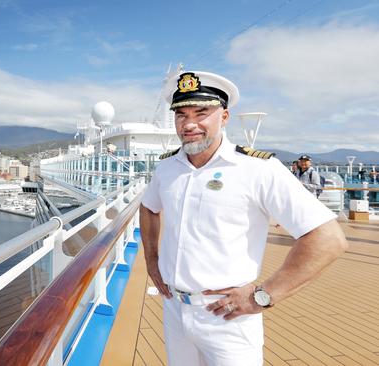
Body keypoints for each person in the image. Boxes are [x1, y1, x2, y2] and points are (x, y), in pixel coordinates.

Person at [139, 70, 348, 366]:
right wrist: (151, 259)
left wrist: (264, 295)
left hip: (228, 318)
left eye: (202, 112)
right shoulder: (167, 168)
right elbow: (148, 207)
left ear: (224, 116)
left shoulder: (258, 169)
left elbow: (328, 239)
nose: (189, 124)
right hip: (174, 308)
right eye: (181, 114)